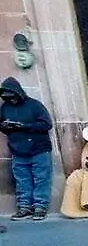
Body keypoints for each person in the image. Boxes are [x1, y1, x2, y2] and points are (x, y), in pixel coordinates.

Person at [1, 77, 54, 221]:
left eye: (12, 97)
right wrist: (5, 126)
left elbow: (46, 124)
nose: (11, 100)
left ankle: (40, 206)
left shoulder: (35, 105)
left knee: (41, 178)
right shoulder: (5, 108)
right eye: (7, 98)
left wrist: (24, 126)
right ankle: (24, 207)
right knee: (22, 180)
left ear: (18, 93)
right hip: (18, 150)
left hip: (39, 149)